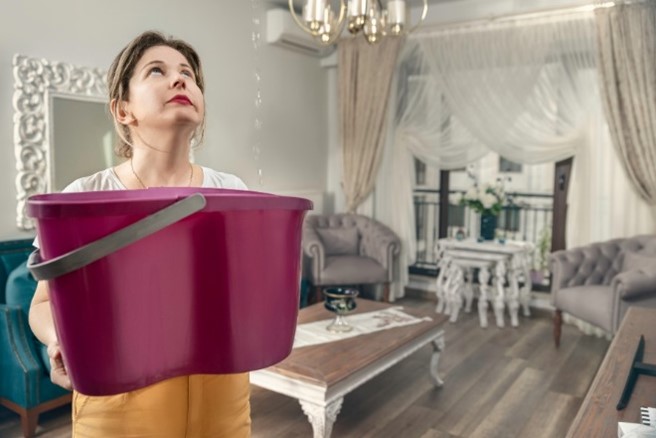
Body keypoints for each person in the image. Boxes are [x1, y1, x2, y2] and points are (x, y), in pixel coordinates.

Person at [28, 31, 251, 437]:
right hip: (117, 403)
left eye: (188, 73)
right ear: (123, 109)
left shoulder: (233, 191)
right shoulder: (82, 198)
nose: (181, 80)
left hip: (219, 397)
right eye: (157, 71)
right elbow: (41, 303)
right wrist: (62, 337)